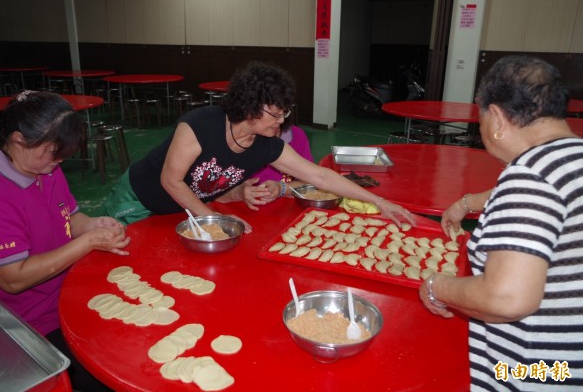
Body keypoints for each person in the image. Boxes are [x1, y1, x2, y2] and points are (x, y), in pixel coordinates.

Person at [418, 56, 582, 391]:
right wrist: (468, 203)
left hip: (537, 374)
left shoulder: (530, 178)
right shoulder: (569, 158)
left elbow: (506, 298)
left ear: (496, 118)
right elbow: (545, 201)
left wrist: (437, 286)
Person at [103, 61, 414, 227]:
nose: (280, 121)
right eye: (274, 114)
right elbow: (170, 180)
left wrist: (380, 203)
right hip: (139, 201)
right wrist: (214, 218)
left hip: (184, 213)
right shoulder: (200, 125)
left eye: (284, 113)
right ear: (249, 107)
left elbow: (320, 176)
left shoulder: (266, 144)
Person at [0, 91, 131, 392]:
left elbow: (69, 217)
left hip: (66, 294)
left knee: (128, 345)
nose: (59, 161)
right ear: (19, 139)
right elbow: (13, 279)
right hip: (28, 322)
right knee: (102, 377)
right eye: (54, 152)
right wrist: (88, 243)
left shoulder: (44, 166)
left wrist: (93, 224)